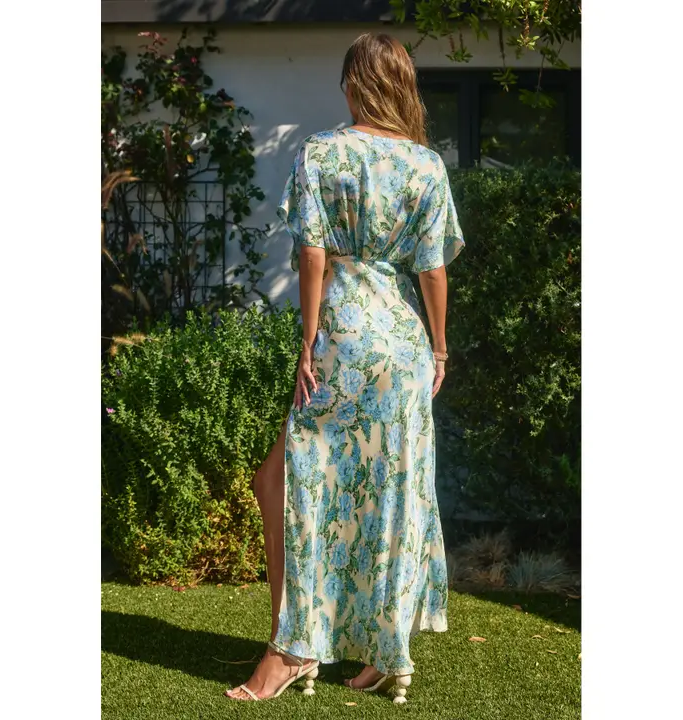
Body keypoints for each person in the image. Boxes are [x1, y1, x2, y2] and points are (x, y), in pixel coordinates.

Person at [225, 31, 465, 704]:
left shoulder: (324, 152)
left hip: (344, 339)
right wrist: (440, 349)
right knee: (390, 495)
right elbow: (433, 269)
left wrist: (308, 341)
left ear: (353, 84)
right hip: (405, 346)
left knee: (290, 484)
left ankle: (292, 648)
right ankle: (388, 653)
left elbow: (312, 254)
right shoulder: (426, 165)